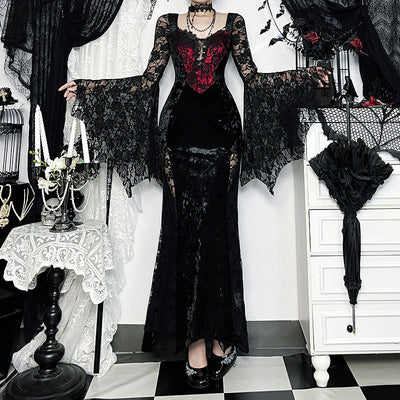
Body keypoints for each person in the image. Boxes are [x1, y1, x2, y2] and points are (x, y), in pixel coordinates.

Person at [59, 0, 330, 389]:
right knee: (184, 237)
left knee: (218, 237)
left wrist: (304, 79)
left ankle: (220, 336)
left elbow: (253, 79)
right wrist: (88, 88)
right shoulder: (167, 23)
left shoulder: (233, 22)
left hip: (223, 139)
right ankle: (194, 341)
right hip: (177, 138)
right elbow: (147, 81)